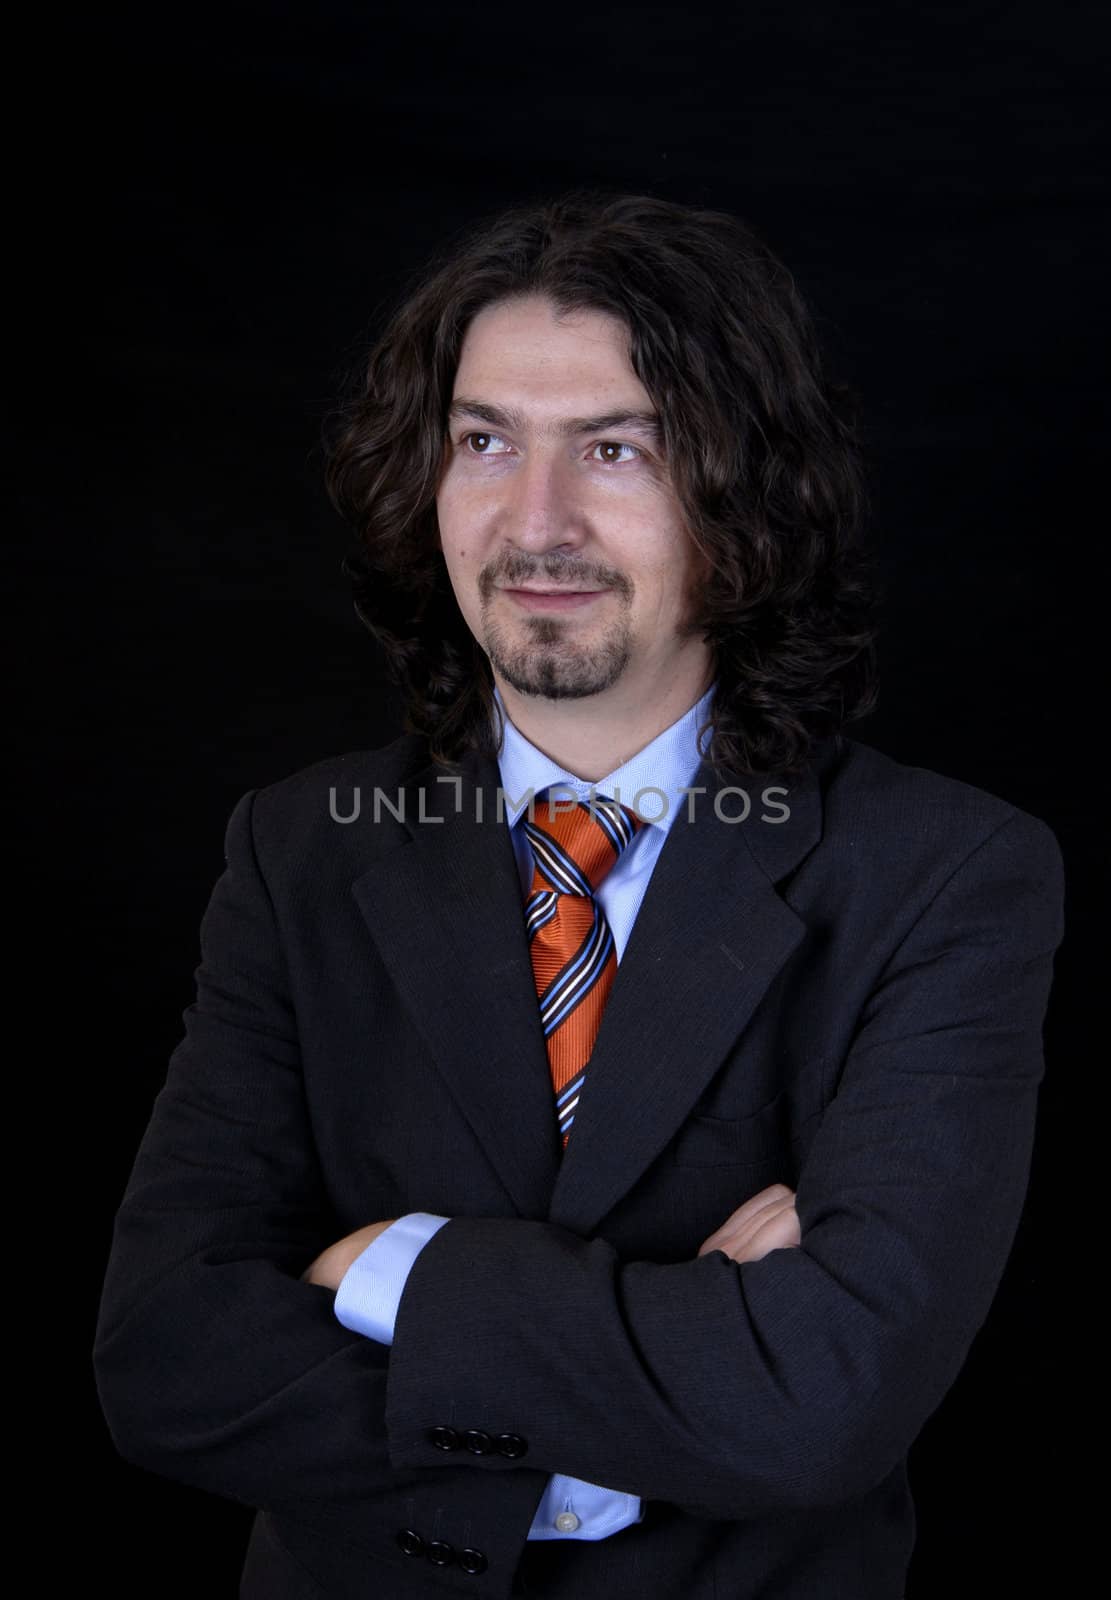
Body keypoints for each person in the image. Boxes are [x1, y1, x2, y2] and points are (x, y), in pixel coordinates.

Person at [92, 190, 1065, 1600]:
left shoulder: (949, 875)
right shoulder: (297, 848)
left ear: (748, 490)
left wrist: (391, 1271)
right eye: (484, 441)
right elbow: (166, 1360)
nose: (533, 523)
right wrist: (635, 1416)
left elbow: (827, 1400)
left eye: (616, 450)